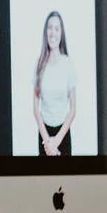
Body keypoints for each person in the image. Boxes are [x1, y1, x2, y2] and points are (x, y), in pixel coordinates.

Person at [33, 10, 77, 157]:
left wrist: (57, 141)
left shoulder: (68, 64)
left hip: (62, 136)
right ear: (46, 32)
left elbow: (73, 109)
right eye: (50, 28)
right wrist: (48, 142)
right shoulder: (39, 64)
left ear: (61, 33)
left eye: (57, 28)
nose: (53, 32)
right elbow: (35, 108)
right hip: (44, 137)